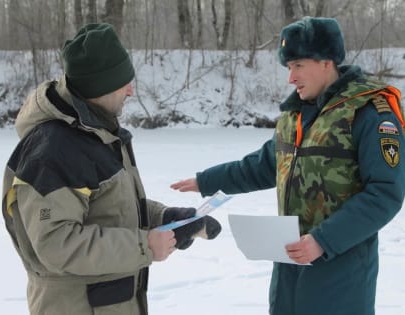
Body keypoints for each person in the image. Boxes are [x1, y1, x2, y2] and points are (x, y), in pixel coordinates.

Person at [171, 16, 405, 315]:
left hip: (342, 274)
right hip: (289, 269)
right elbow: (263, 165)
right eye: (288, 67)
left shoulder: (370, 113)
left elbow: (385, 193)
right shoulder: (295, 116)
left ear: (326, 62)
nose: (290, 78)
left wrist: (323, 240)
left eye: (298, 65)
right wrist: (205, 181)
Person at [1, 23, 221, 315]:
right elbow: (56, 244)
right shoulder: (54, 150)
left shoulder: (98, 134)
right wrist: (145, 245)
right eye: (124, 82)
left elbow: (109, 206)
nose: (132, 90)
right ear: (98, 86)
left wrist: (164, 218)